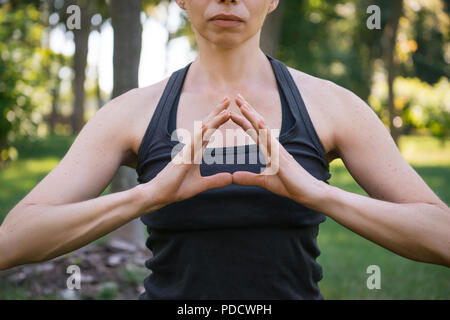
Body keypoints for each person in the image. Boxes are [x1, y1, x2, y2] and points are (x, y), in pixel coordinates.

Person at [0, 0, 449, 300]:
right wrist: (147, 196)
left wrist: (319, 194)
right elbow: (13, 241)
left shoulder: (332, 105)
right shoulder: (130, 113)